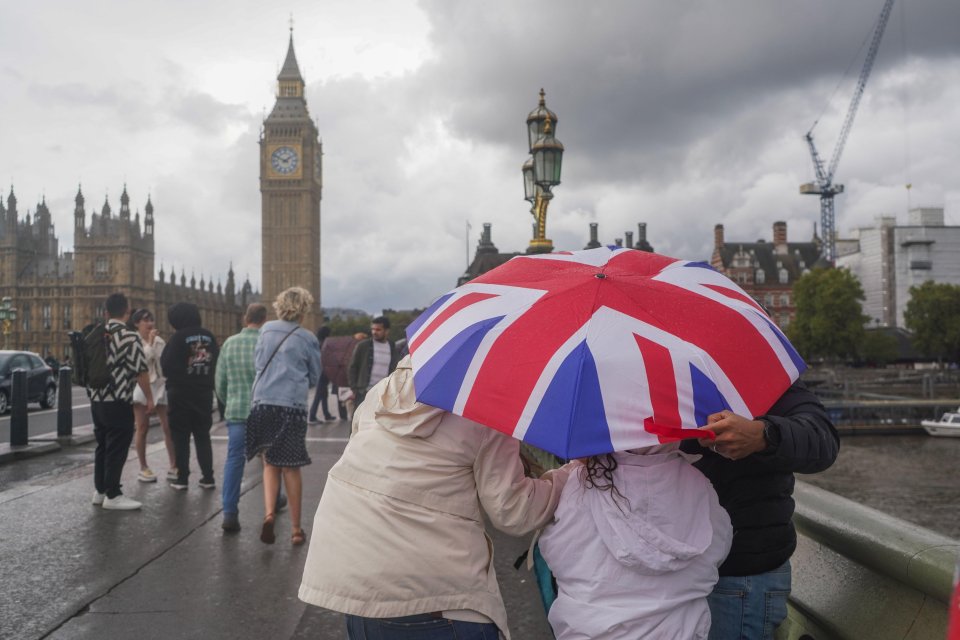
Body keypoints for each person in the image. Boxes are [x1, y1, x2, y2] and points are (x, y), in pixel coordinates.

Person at [299, 356, 574, 640]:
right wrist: (567, 477)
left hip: (357, 588)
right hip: (438, 599)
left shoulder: (381, 393)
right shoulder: (485, 407)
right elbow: (513, 510)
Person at [681, 380, 839, 640]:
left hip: (737, 575)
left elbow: (822, 440)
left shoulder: (757, 376)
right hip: (672, 574)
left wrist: (762, 435)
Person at [538, 443, 733, 639]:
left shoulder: (579, 487)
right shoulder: (698, 484)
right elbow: (718, 546)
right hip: (679, 630)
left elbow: (557, 553)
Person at [245, 287, 320, 546]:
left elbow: (258, 364)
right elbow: (315, 376)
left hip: (263, 403)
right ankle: (296, 530)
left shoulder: (265, 330)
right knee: (291, 467)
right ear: (304, 309)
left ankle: (268, 515)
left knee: (269, 463)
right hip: (291, 406)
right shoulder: (307, 338)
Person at [90, 292, 154, 511]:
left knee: (103, 445)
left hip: (96, 398)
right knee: (117, 445)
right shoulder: (129, 336)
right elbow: (140, 371)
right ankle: (113, 494)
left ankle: (100, 491)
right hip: (118, 398)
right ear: (127, 313)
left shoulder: (97, 333)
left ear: (106, 312)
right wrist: (149, 398)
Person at [215, 303, 268, 532]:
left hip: (237, 411)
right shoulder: (267, 343)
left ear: (245, 318)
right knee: (270, 460)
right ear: (264, 320)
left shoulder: (229, 343)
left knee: (234, 460)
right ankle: (273, 503)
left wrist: (231, 401)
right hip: (263, 410)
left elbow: (219, 383)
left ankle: (229, 513)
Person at [161, 302, 220, 491]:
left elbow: (166, 365)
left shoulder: (178, 337)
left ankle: (182, 478)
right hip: (203, 393)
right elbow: (217, 362)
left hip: (180, 393)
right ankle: (208, 477)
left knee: (181, 436)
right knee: (203, 435)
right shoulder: (209, 337)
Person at [128, 308, 177, 483]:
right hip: (142, 385)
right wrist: (149, 343)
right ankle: (143, 467)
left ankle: (174, 465)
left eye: (151, 320)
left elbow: (163, 364)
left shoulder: (160, 341)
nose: (150, 323)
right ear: (136, 324)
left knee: (168, 427)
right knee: (142, 428)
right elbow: (140, 364)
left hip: (160, 384)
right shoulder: (133, 341)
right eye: (145, 320)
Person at [347, 316, 399, 408]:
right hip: (364, 392)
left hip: (384, 394)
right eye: (373, 329)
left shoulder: (392, 347)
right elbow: (352, 367)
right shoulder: (363, 346)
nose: (374, 332)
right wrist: (354, 389)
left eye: (378, 329)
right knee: (360, 421)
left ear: (387, 331)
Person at [307, 325, 336, 423]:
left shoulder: (317, 343)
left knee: (323, 394)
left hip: (320, 371)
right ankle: (312, 415)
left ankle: (326, 414)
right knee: (319, 394)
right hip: (324, 371)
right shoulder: (325, 344)